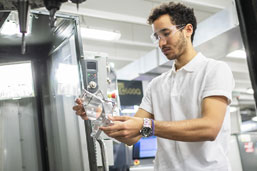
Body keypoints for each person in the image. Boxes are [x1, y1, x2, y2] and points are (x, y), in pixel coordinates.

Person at [73, 2, 235, 171]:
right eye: (157, 37)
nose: (161, 43)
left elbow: (209, 128)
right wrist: (99, 115)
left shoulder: (214, 70)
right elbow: (132, 137)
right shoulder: (157, 85)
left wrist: (146, 126)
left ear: (188, 30)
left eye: (166, 33)